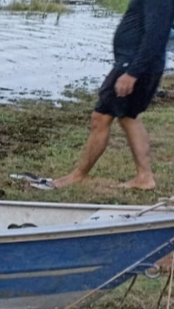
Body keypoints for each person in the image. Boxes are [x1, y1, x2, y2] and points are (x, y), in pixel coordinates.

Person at [50, 0, 173, 191]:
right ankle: (144, 177)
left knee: (101, 117)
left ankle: (78, 175)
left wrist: (132, 73)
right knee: (128, 117)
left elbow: (156, 35)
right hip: (137, 64)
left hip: (134, 66)